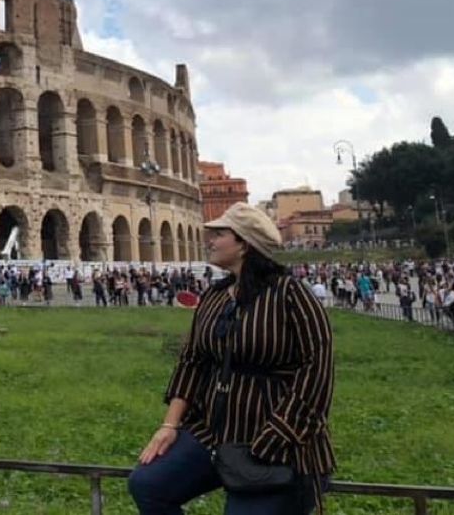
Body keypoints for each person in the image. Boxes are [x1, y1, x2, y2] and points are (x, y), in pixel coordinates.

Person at [128, 203, 335, 514]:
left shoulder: (291, 294)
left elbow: (317, 373)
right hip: (214, 431)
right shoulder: (214, 296)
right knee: (147, 485)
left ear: (245, 244)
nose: (209, 240)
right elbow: (192, 362)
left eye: (220, 234)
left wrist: (274, 437)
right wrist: (169, 425)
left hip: (277, 436)